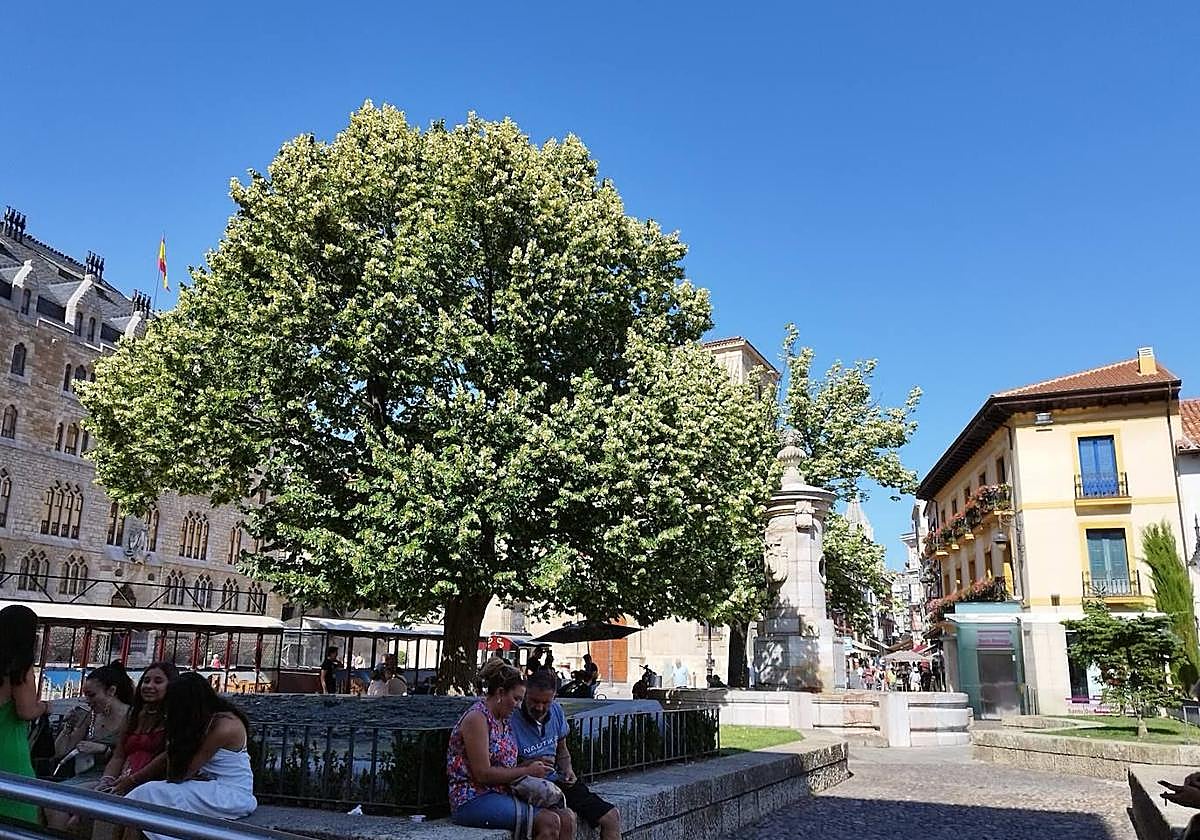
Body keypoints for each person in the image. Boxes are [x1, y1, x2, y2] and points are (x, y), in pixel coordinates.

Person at [446, 659, 574, 839]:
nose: (518, 705)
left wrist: (530, 765)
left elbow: (505, 766)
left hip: (503, 792)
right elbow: (483, 774)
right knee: (549, 821)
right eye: (516, 698)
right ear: (500, 693)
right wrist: (526, 770)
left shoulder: (503, 720)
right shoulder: (477, 718)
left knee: (566, 817)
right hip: (473, 798)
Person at [125, 672, 257, 840]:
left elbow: (182, 772)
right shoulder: (205, 720)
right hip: (209, 787)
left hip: (230, 794)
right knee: (146, 797)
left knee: (149, 792)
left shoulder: (224, 726)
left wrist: (175, 734)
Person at [511, 671, 622, 840]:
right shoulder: (511, 718)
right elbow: (503, 768)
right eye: (534, 701)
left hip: (557, 779)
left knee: (612, 816)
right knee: (567, 818)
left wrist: (568, 769)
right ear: (525, 693)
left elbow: (562, 750)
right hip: (530, 785)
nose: (539, 707)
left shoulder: (556, 711)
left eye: (545, 702)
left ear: (554, 698)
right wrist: (529, 765)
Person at [45, 661, 136, 831]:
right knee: (49, 800)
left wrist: (103, 750)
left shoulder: (131, 716)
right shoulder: (90, 717)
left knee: (56, 801)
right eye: (86, 695)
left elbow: (128, 756)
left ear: (111, 691)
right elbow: (61, 751)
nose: (88, 701)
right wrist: (68, 727)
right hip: (83, 776)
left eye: (92, 695)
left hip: (109, 778)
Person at [0, 604, 49, 824]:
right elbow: (26, 711)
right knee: (16, 815)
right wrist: (45, 707)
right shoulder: (19, 667)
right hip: (8, 749)